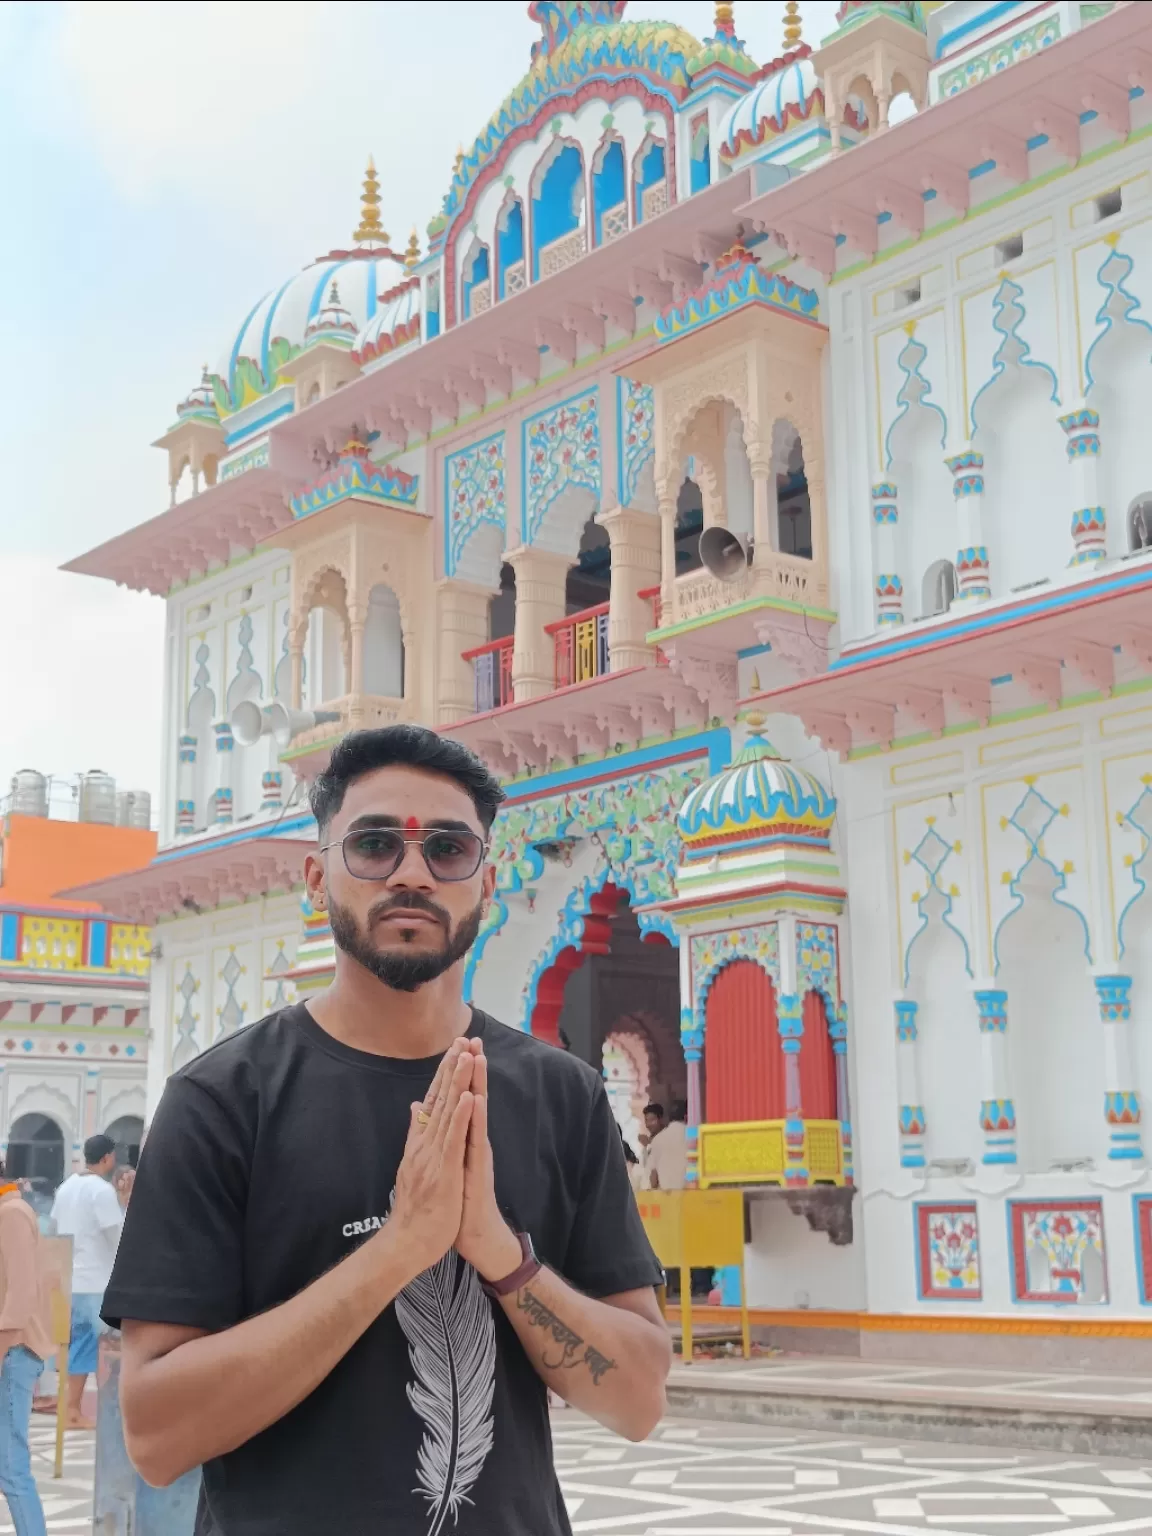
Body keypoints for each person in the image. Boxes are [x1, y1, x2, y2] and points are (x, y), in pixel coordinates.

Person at [104, 725, 670, 1535]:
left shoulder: (563, 1096)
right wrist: (398, 1250)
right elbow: (156, 1436)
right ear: (316, 876)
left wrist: (502, 1257)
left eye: (448, 848)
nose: (412, 872)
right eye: (373, 845)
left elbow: (640, 1400)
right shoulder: (224, 1102)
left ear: (489, 878)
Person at [50, 1134, 122, 1430]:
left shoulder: (66, 1187)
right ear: (106, 1158)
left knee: (79, 1345)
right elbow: (115, 1236)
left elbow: (54, 1227)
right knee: (94, 1346)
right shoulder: (101, 1191)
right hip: (94, 1281)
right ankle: (73, 1410)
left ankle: (74, 1407)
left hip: (70, 1278)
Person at [0, 1161, 50, 1536]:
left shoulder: (12, 1214)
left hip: (13, 1351)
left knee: (11, 1466)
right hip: (11, 1351)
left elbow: (19, 1296)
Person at [646, 1100, 688, 1193]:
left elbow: (653, 1178)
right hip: (691, 1194)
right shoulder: (694, 1135)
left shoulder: (657, 1139)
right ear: (686, 1117)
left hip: (666, 1196)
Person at [638, 1102, 665, 1189]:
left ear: (660, 1119)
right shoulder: (649, 1140)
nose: (648, 1124)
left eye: (652, 1120)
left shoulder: (665, 1138)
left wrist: (648, 1145)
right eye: (646, 1120)